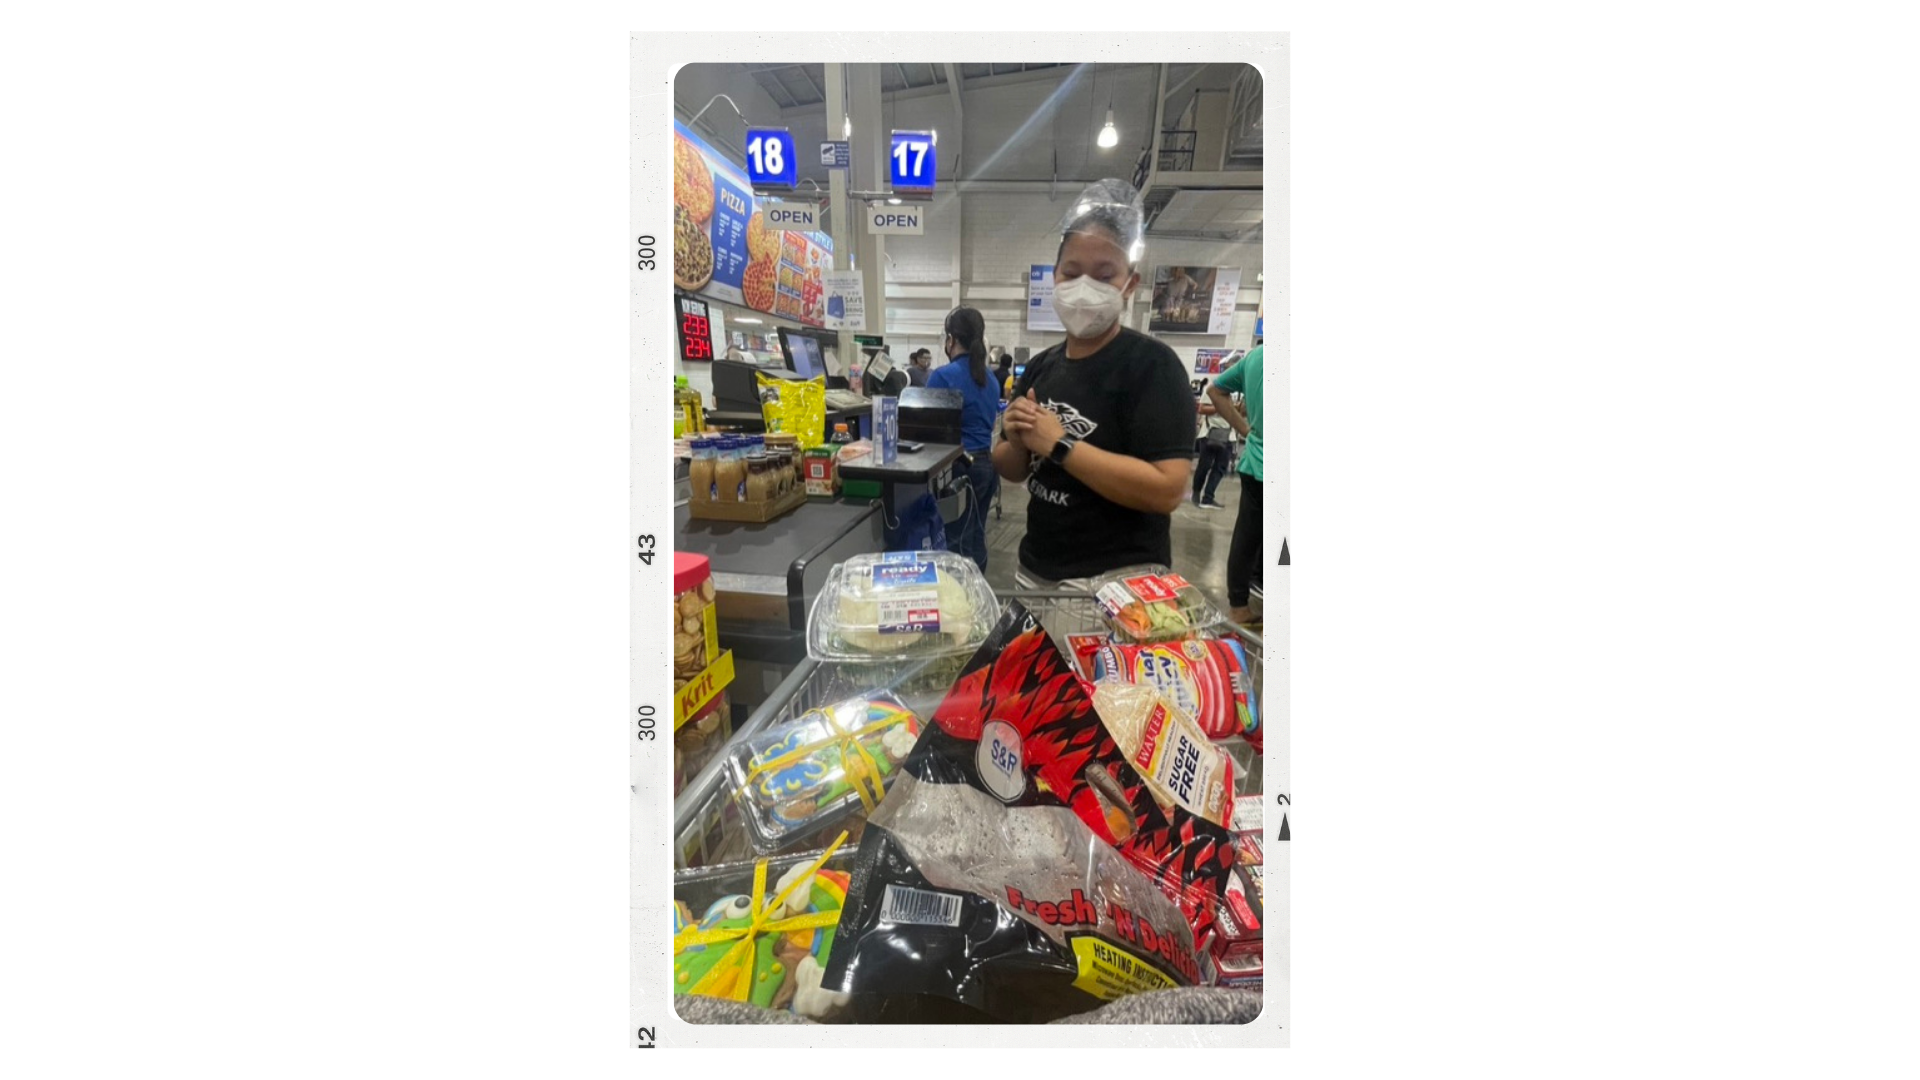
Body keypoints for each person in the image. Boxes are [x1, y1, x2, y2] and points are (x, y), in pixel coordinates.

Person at [994, 179, 1195, 588]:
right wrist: (1017, 438)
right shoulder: (1041, 367)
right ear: (1055, 277)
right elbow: (1010, 469)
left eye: (1104, 276)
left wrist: (1060, 444)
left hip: (1119, 585)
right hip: (1036, 571)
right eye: (1072, 272)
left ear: (1129, 285)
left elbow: (1167, 490)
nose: (1085, 287)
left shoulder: (1153, 366)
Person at [927, 307, 1001, 574]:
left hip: (956, 469)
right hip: (986, 467)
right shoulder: (989, 378)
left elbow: (927, 431)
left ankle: (957, 602)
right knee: (975, 535)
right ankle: (978, 592)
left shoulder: (943, 376)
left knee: (954, 541)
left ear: (951, 339)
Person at [1206, 343, 1265, 626]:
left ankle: (1239, 607)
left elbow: (1215, 391)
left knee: (1247, 535)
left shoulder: (1257, 357)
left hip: (1255, 462)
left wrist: (1245, 430)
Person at [1192, 395, 1232, 509]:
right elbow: (1202, 409)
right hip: (1209, 434)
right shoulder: (1213, 389)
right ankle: (1196, 493)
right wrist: (1222, 408)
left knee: (1220, 468)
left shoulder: (1239, 391)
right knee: (1204, 466)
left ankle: (1208, 497)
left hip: (1229, 436)